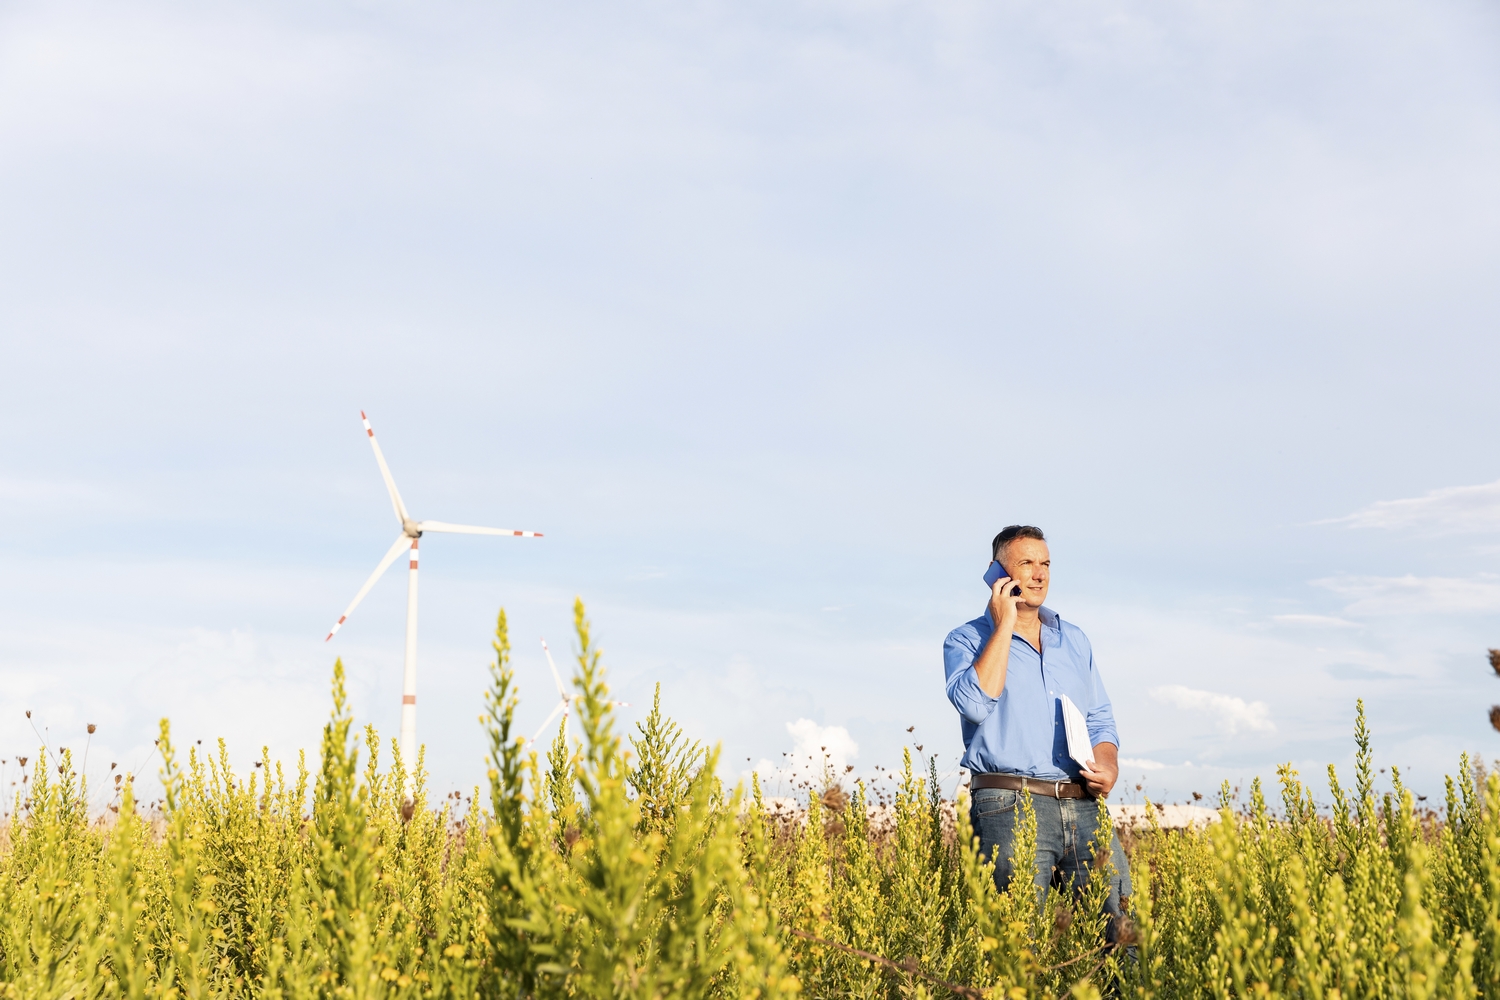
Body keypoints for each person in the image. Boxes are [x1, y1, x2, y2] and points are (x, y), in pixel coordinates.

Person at [943, 525, 1131, 924]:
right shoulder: (965, 639)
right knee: (1017, 938)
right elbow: (974, 704)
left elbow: (1099, 718)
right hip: (1009, 804)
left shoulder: (1074, 639)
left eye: (1045, 563)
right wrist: (1004, 626)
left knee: (1122, 932)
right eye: (1026, 563)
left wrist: (1108, 766)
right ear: (997, 573)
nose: (1039, 574)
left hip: (1084, 803)